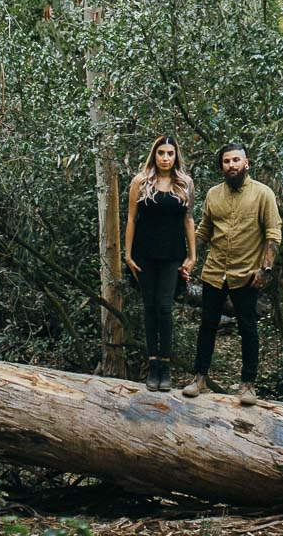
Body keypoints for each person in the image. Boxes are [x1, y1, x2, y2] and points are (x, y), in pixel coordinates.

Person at [181, 142, 281, 406]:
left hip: (246, 274)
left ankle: (247, 385)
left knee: (248, 328)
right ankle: (199, 379)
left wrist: (265, 269)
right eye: (226, 161)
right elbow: (203, 231)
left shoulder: (263, 194)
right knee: (207, 326)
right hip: (214, 272)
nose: (231, 165)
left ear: (246, 163)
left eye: (236, 160)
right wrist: (190, 258)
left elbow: (273, 234)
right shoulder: (214, 194)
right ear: (221, 166)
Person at [123, 134, 196, 392]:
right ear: (154, 155)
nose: (165, 158)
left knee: (165, 308)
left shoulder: (184, 183)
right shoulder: (140, 182)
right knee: (149, 307)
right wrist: (127, 254)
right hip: (144, 254)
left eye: (170, 154)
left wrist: (193, 255)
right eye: (161, 153)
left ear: (176, 156)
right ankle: (152, 365)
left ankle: (166, 366)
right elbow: (132, 218)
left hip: (172, 254)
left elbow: (188, 219)